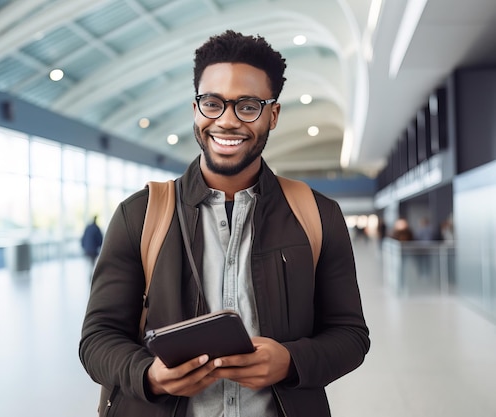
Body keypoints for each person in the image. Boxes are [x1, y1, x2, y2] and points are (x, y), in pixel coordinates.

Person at [80, 30, 370, 417]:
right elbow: (97, 339)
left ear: (273, 114)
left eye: (247, 106)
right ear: (195, 109)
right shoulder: (139, 215)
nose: (227, 121)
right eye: (213, 103)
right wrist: (148, 374)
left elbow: (350, 336)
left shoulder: (318, 215)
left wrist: (290, 360)